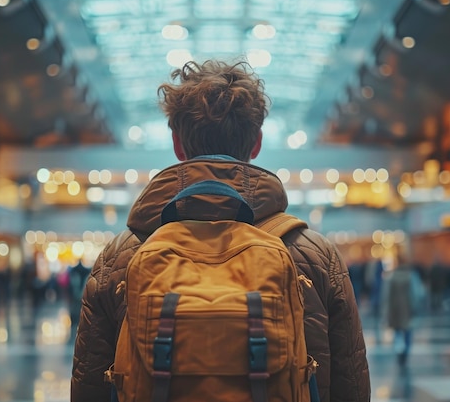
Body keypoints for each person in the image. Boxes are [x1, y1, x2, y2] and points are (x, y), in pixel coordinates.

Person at [70, 59, 370, 402]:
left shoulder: (121, 256)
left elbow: (89, 386)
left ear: (177, 145)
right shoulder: (314, 254)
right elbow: (352, 385)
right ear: (255, 143)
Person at [384, 254, 424, 367]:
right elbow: (416, 293)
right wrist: (416, 307)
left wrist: (386, 311)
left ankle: (399, 350)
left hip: (395, 309)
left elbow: (386, 296)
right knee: (407, 331)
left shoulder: (392, 277)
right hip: (407, 309)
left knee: (397, 332)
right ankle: (405, 351)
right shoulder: (410, 276)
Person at [67, 259, 91, 339]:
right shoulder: (86, 271)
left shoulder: (73, 271)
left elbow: (70, 285)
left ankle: (74, 323)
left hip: (74, 295)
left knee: (74, 310)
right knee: (80, 310)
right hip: (82, 294)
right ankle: (79, 323)